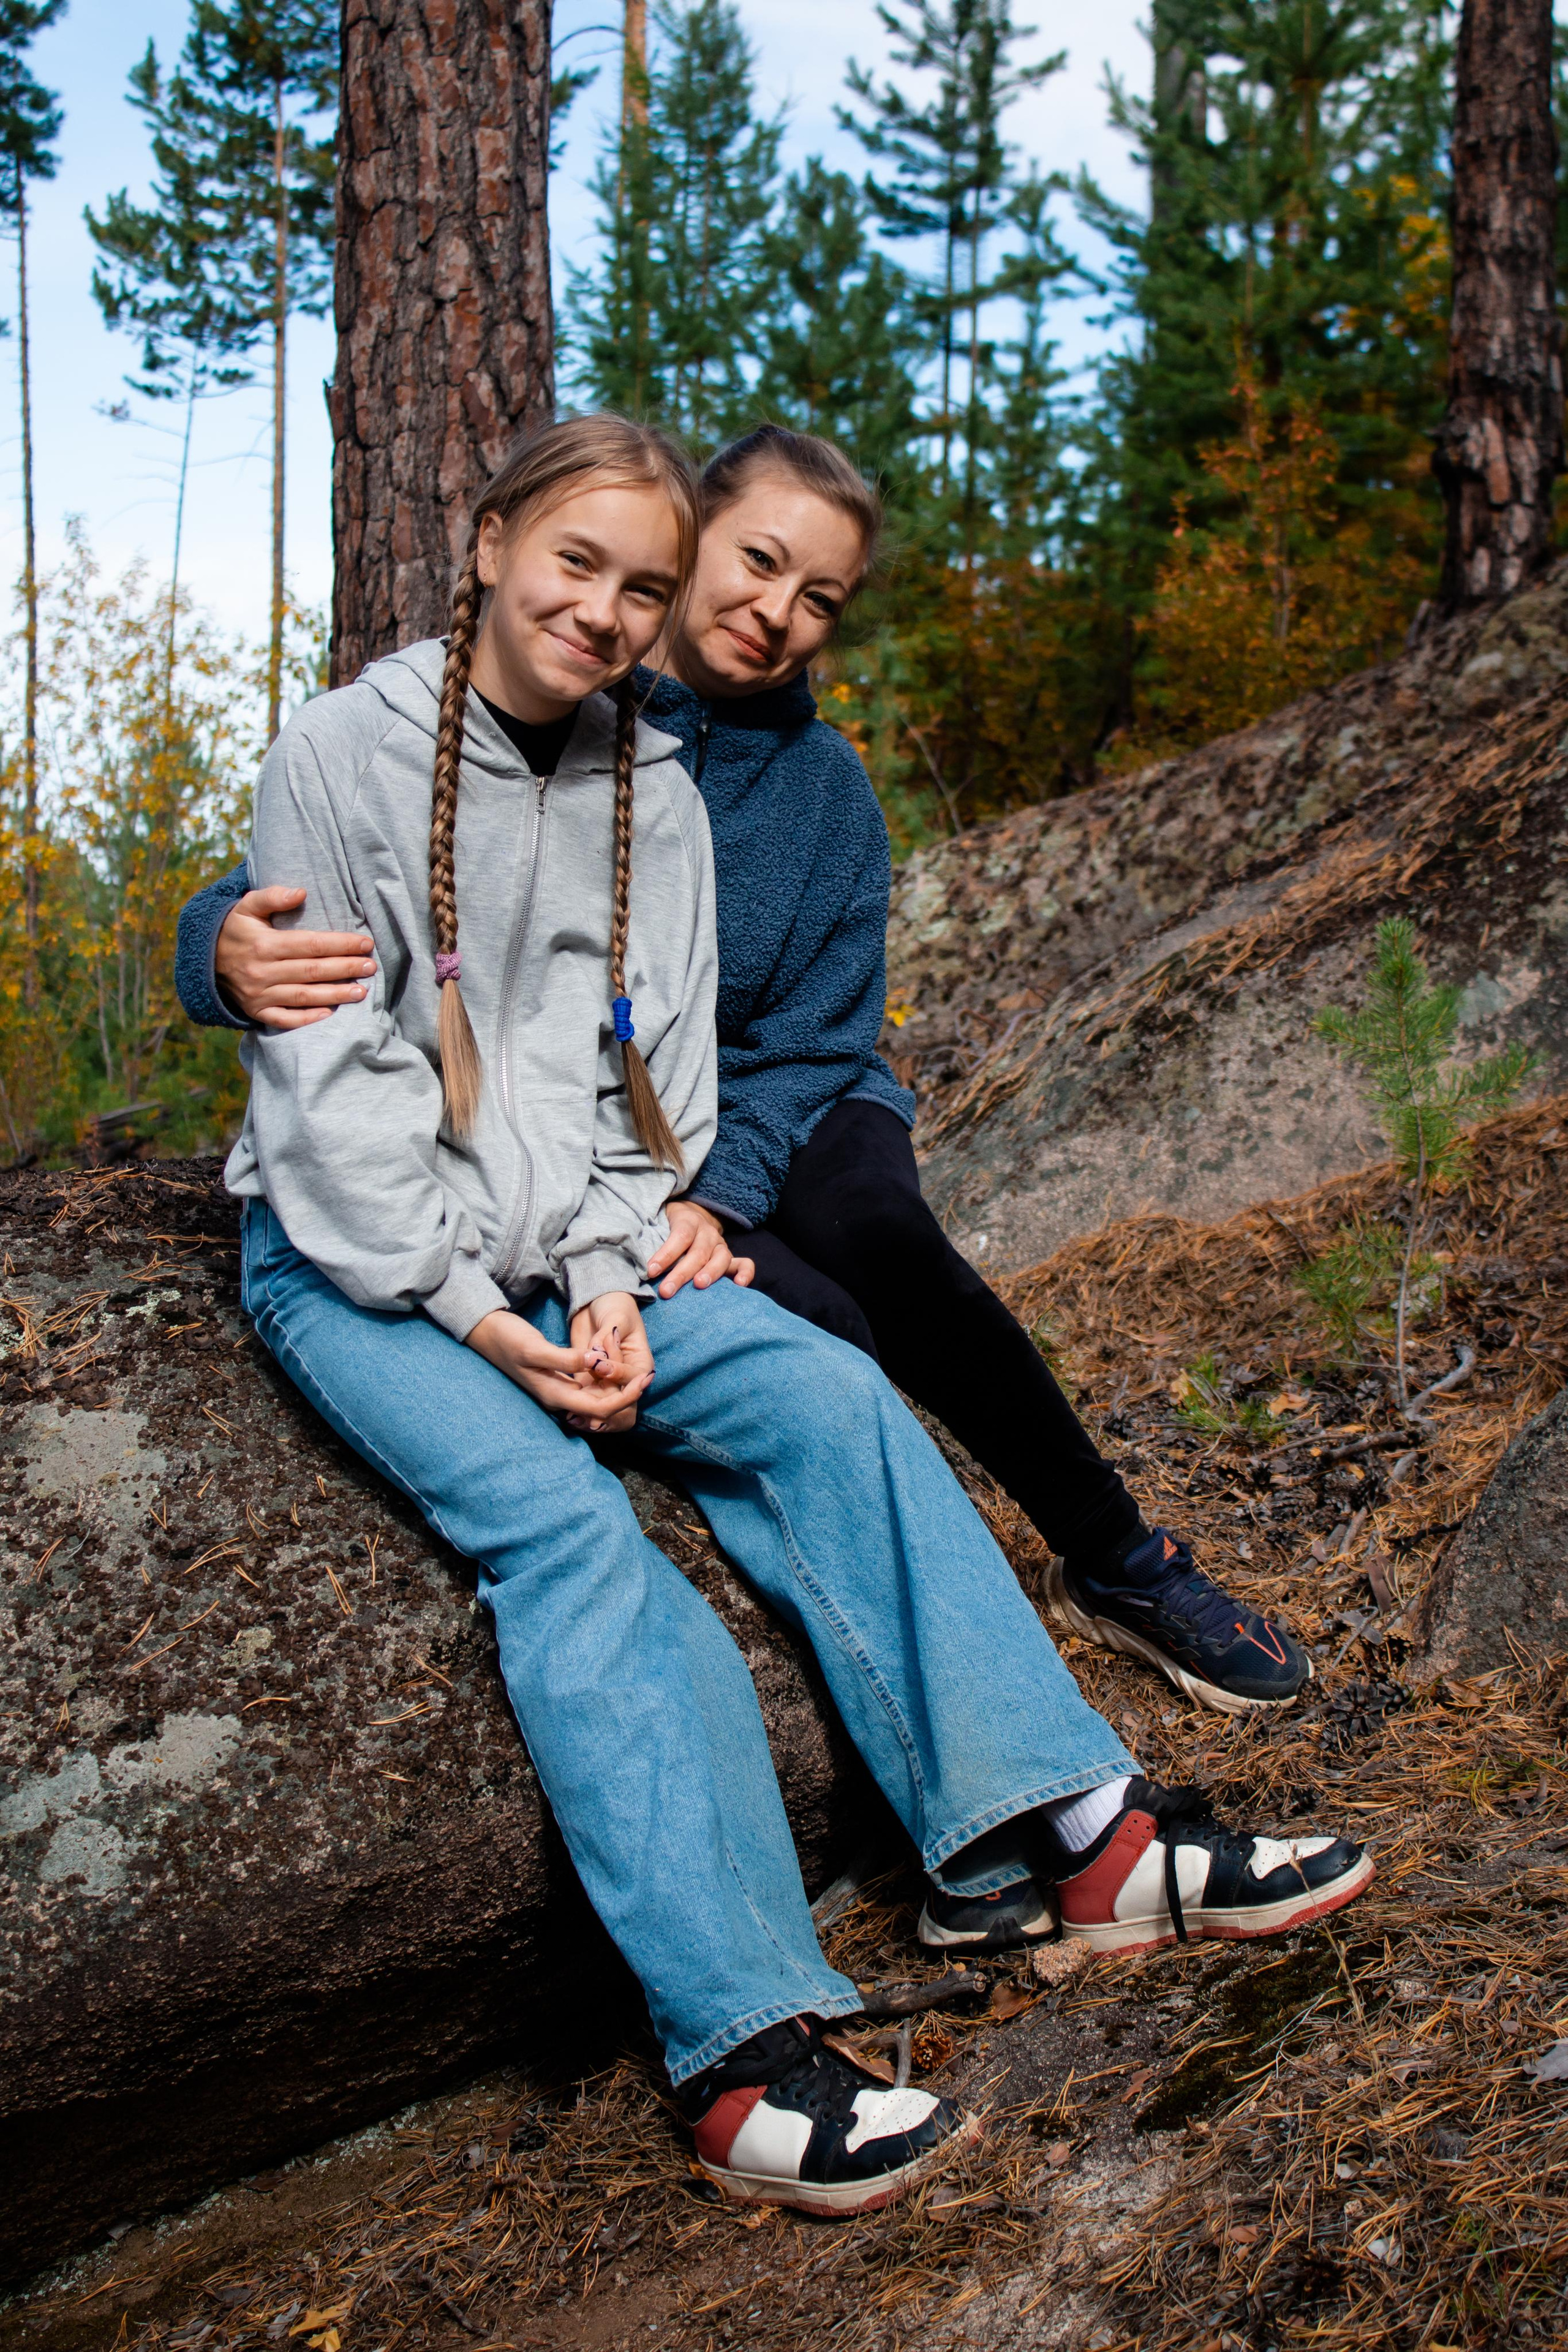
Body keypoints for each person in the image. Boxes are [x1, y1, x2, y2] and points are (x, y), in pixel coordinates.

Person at [219, 414, 1370, 2218]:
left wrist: (608, 1283)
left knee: (830, 1393)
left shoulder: (663, 796)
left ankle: (1086, 1837)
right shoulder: (342, 754)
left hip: (574, 1251)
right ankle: (740, 2047)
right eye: (581, 565)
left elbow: (646, 1093)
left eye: (642, 587)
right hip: (367, 1261)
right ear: (489, 539)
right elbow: (336, 1099)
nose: (609, 611)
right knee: (571, 1537)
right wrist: (491, 1326)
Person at [176, 429, 1310, 1777]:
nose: (775, 610)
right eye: (756, 561)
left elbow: (822, 1035)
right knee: (816, 1327)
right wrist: (215, 949)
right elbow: (375, 861)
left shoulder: (826, 792)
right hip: (605, 1119)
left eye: (818, 597)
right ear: (689, 544)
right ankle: (854, 1636)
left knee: (875, 1233)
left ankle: (1115, 1556)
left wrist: (712, 1195)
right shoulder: (562, 683)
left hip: (784, 1096)